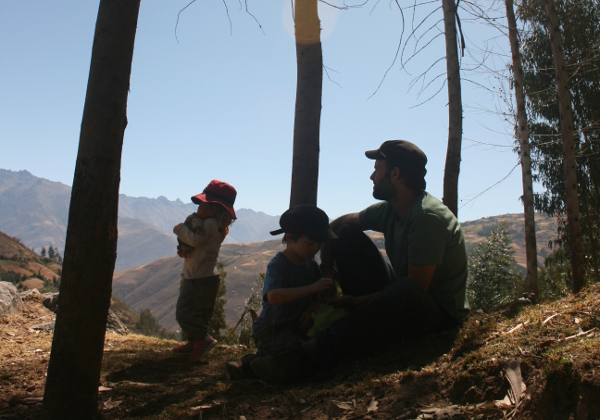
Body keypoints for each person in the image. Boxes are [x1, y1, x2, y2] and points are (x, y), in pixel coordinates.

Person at [250, 140, 468, 384]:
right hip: (400, 296)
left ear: (395, 174)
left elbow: (415, 292)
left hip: (436, 316)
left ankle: (305, 356)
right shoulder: (390, 210)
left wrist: (355, 303)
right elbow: (336, 226)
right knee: (345, 234)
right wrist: (327, 272)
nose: (372, 176)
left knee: (405, 289)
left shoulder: (426, 217)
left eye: (377, 169)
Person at [252, 205, 336, 355]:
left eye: (319, 244)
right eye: (310, 243)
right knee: (296, 352)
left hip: (297, 330)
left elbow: (319, 297)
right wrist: (311, 288)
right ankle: (254, 363)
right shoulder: (278, 264)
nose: (315, 249)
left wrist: (312, 309)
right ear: (290, 238)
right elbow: (273, 296)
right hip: (272, 330)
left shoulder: (312, 265)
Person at [172, 179, 237, 363]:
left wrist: (179, 229)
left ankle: (202, 340)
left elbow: (195, 240)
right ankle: (195, 343)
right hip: (206, 278)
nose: (199, 207)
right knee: (198, 314)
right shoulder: (217, 226)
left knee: (184, 312)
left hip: (198, 278)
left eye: (203, 204)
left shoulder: (209, 224)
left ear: (215, 208)